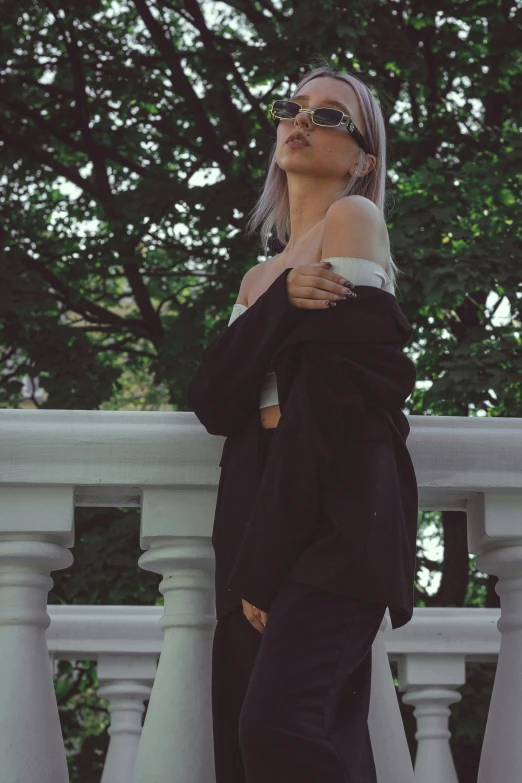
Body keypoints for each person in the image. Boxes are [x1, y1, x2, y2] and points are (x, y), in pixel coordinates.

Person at [187, 63, 418, 783]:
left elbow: (340, 397)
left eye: (329, 116)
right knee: (274, 741)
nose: (300, 121)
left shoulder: (354, 218)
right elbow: (216, 400)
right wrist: (284, 300)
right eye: (293, 107)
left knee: (279, 725)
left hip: (338, 509)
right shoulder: (262, 278)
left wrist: (266, 557)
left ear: (362, 159)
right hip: (258, 504)